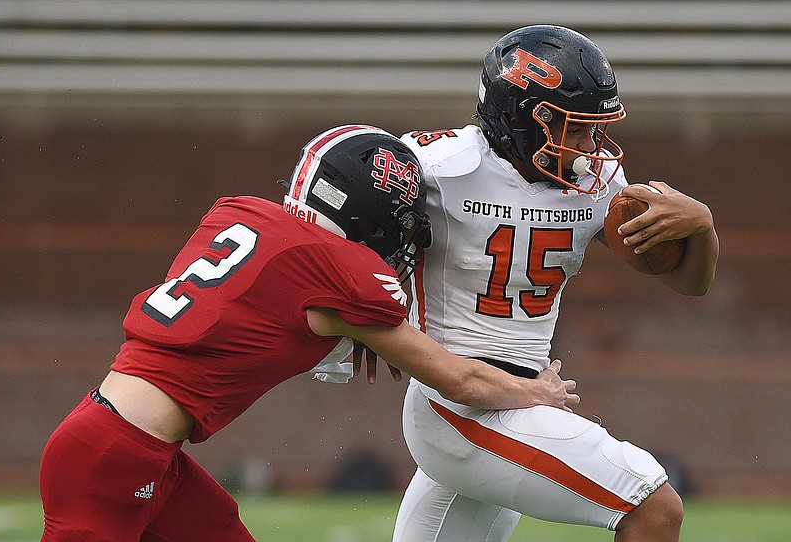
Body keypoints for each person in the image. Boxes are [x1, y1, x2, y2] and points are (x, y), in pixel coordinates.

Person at [38, 124, 580, 542]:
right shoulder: (338, 274)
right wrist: (537, 392)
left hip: (124, 442)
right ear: (371, 216)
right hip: (115, 459)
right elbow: (459, 380)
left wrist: (363, 327)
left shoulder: (239, 216)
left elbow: (256, 309)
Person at [391, 26, 719, 542]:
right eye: (579, 128)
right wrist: (366, 316)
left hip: (523, 396)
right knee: (654, 507)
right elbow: (349, 229)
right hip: (456, 403)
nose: (594, 147)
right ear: (529, 119)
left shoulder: (596, 185)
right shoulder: (436, 167)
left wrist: (702, 225)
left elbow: (689, 282)